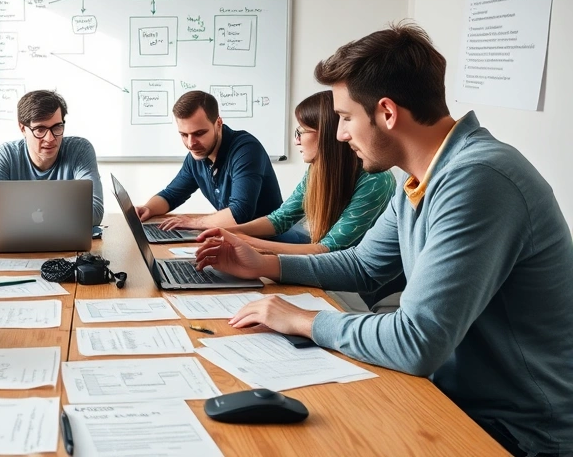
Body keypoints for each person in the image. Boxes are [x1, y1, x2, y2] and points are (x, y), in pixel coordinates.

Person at [195, 23, 573, 456]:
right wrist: (265, 265)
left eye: (346, 118)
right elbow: (363, 264)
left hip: (517, 435)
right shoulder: (422, 176)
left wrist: (301, 320)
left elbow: (417, 341)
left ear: (387, 113)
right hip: (456, 401)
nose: (340, 135)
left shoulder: (478, 179)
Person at [225, 90, 395, 256]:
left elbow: (328, 249)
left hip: (361, 272)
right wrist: (228, 231)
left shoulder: (376, 180)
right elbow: (280, 219)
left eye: (301, 131)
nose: (296, 141)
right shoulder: (316, 170)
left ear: (327, 134)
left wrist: (243, 241)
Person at [136, 90, 282, 230]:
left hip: (271, 239)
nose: (191, 144)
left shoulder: (246, 150)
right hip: (235, 236)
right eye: (184, 135)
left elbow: (240, 213)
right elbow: (171, 195)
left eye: (199, 133)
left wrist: (194, 222)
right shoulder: (197, 156)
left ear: (218, 123)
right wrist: (148, 208)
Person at [0, 90, 104, 225]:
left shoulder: (80, 150)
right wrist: (63, 210)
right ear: (22, 128)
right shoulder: (7, 154)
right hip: (19, 238)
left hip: (64, 239)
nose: (50, 138)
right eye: (40, 130)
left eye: (57, 127)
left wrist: (16, 210)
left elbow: (95, 211)